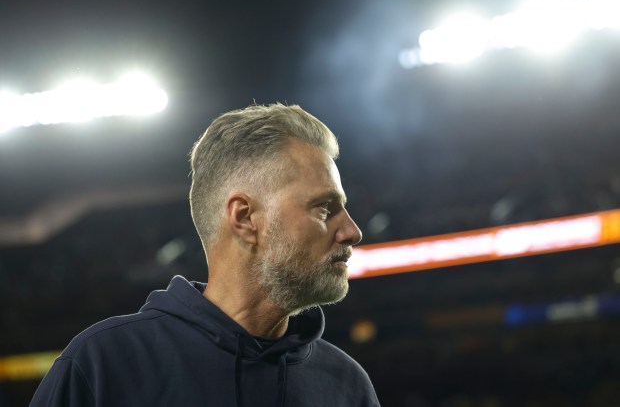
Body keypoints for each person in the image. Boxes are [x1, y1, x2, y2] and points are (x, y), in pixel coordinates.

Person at [31, 103, 380, 406]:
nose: (352, 231)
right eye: (324, 207)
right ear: (244, 218)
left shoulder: (347, 385)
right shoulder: (104, 365)